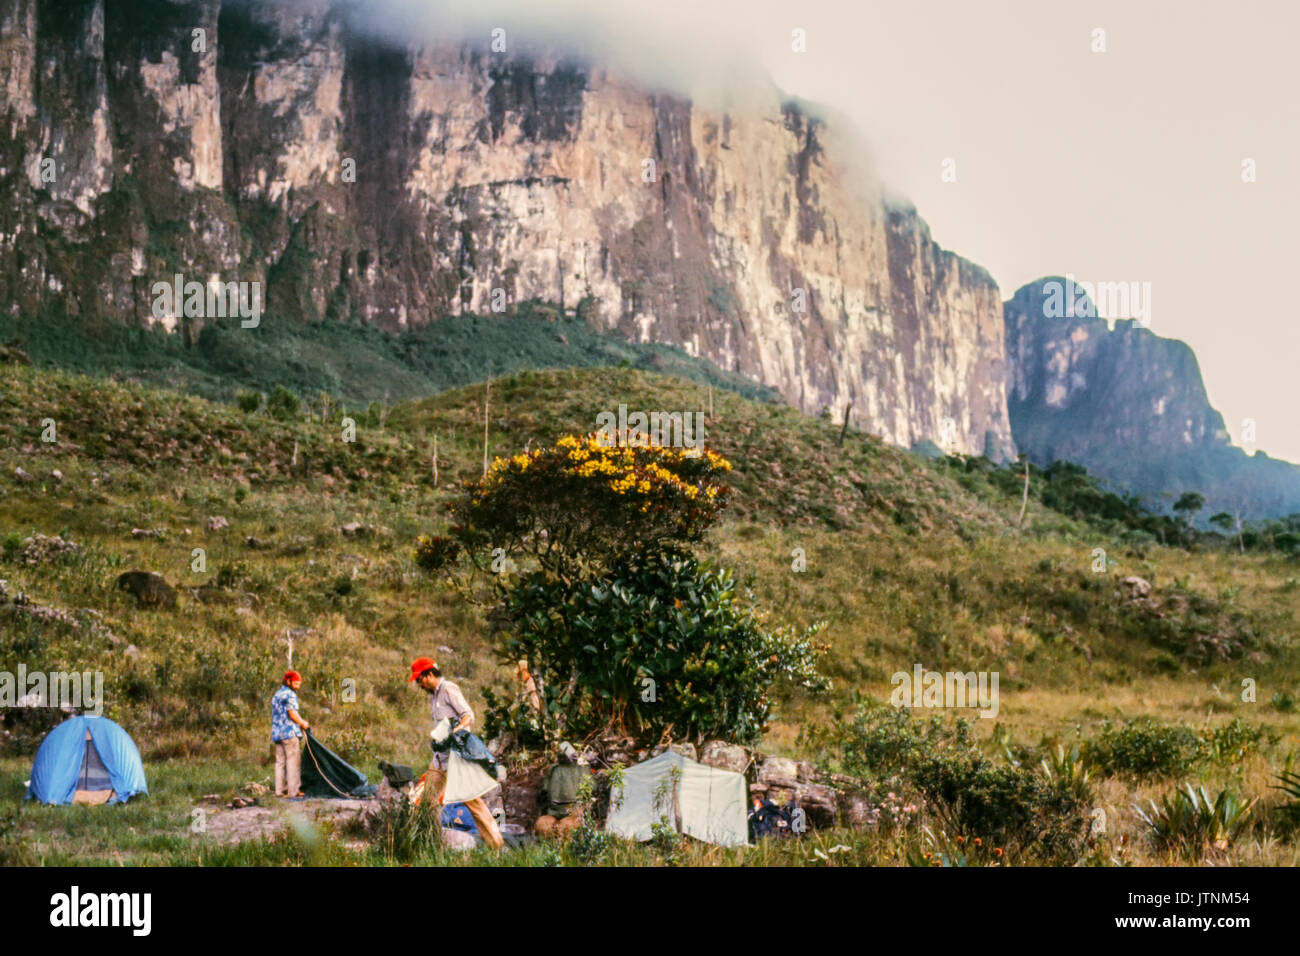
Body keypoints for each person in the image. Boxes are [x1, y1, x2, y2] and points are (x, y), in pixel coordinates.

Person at [409, 656, 505, 850]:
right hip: (439, 759)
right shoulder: (433, 696)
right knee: (427, 801)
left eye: (420, 679)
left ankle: (497, 846)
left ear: (429, 675)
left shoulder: (448, 689)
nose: (419, 684)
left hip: (456, 757)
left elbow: (468, 715)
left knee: (473, 803)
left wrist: (456, 730)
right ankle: (429, 843)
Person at [534, 742, 590, 839]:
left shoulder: (553, 769)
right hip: (570, 812)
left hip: (557, 812)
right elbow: (592, 788)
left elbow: (544, 789)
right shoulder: (582, 768)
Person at [271, 670, 309, 797]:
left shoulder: (276, 694)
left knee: (280, 763)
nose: (297, 686)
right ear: (288, 681)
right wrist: (303, 723)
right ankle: (293, 791)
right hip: (289, 733)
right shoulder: (290, 695)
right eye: (296, 683)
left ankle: (279, 791)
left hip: (277, 734)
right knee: (293, 762)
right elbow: (292, 714)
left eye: (299, 684)